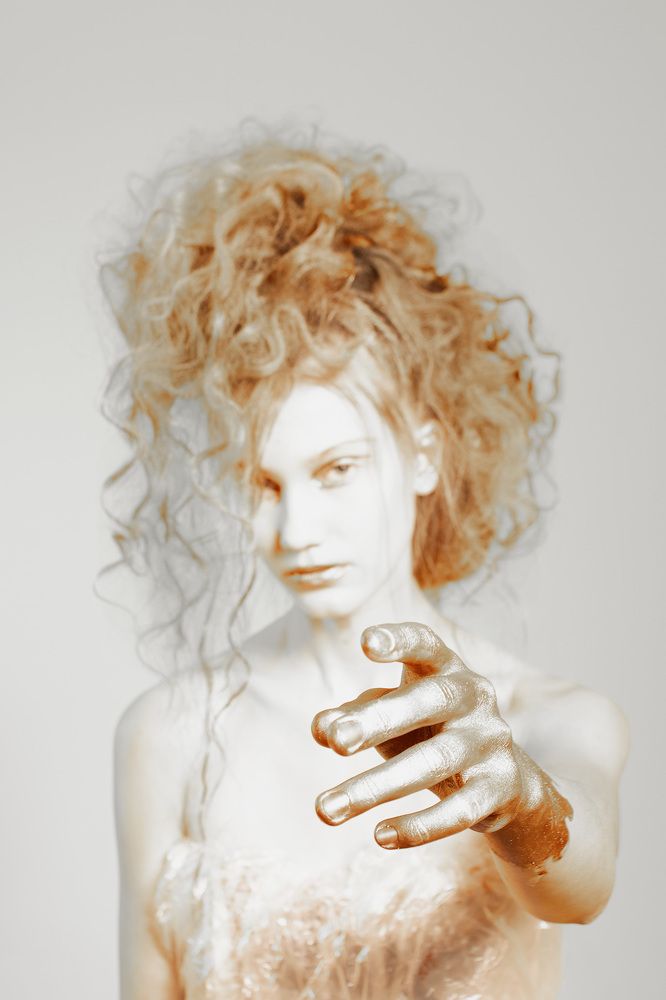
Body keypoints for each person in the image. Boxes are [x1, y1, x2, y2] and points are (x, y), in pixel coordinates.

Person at [101, 128, 629, 1000]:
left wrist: (518, 800)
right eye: (263, 482)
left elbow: (581, 887)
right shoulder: (168, 733)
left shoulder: (552, 717)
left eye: (337, 471)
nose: (296, 529)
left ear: (424, 456)